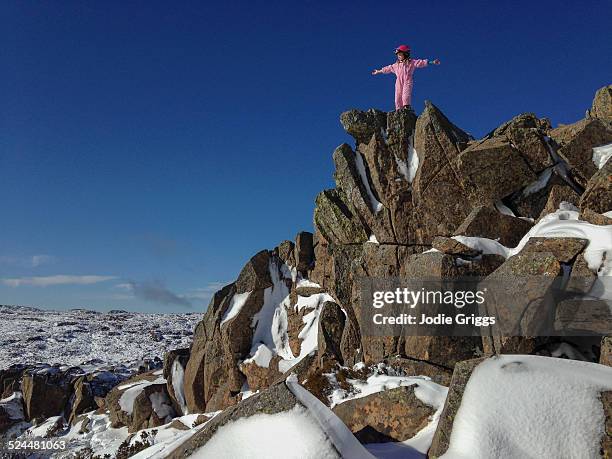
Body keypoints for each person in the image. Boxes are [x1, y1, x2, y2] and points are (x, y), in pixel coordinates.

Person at [372, 44, 440, 110]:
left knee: (405, 94)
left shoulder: (411, 62)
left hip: (407, 80)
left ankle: (406, 107)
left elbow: (421, 62)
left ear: (405, 54)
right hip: (398, 82)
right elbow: (388, 68)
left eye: (400, 55)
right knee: (397, 96)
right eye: (398, 55)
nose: (398, 56)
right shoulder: (396, 65)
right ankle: (398, 110)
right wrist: (378, 71)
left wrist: (432, 62)